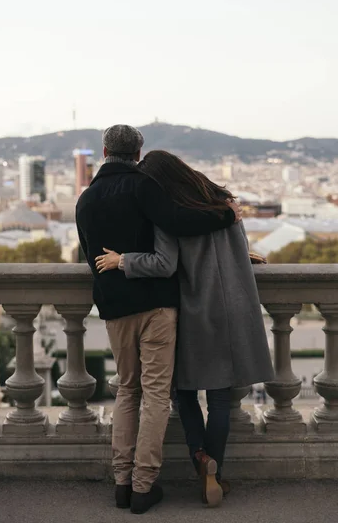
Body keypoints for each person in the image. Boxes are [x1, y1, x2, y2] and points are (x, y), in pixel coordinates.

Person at [95, 149, 274, 508]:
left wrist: (123, 260)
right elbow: (230, 248)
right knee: (222, 397)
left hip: (194, 309)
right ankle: (215, 472)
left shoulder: (171, 215)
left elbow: (165, 263)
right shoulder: (224, 202)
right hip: (234, 307)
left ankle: (198, 457)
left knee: (184, 393)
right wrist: (243, 256)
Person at [76, 127, 240, 515]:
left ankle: (120, 482)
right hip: (156, 307)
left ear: (103, 152)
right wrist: (225, 214)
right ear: (138, 152)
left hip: (114, 306)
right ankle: (143, 485)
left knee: (126, 391)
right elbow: (180, 222)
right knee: (154, 395)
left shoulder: (85, 200)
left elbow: (90, 257)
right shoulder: (144, 188)